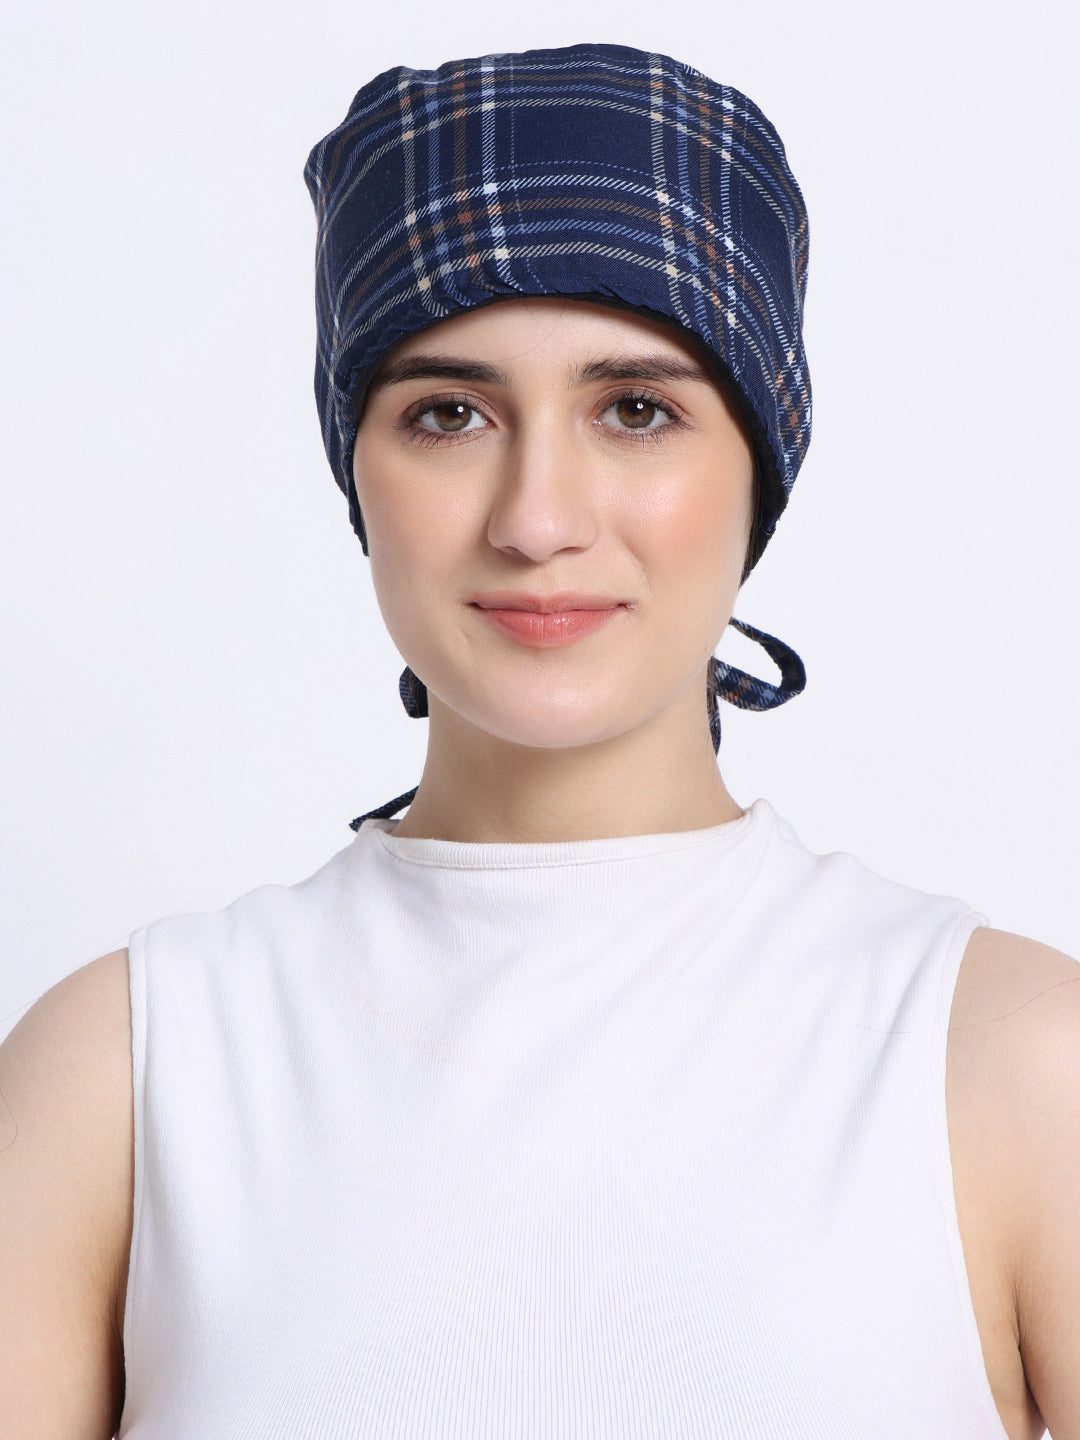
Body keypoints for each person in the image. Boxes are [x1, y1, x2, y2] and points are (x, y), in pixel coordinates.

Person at [1, 41, 1076, 1440]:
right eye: (448, 414)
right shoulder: (125, 1068)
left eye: (637, 410)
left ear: (759, 469)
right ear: (357, 469)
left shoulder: (1009, 1060)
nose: (538, 518)